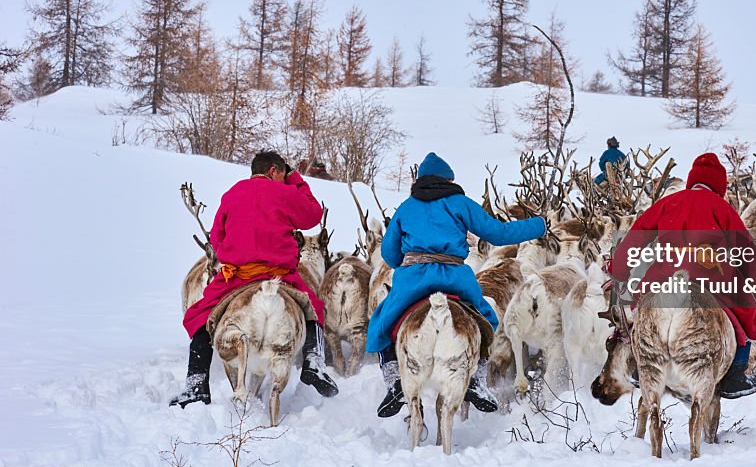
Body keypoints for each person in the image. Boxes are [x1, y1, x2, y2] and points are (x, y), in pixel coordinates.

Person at [367, 152, 546, 418]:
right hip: (454, 277)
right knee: (485, 319)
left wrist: (410, 259)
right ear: (449, 179)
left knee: (383, 322)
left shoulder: (406, 207)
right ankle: (476, 379)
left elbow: (390, 255)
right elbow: (498, 234)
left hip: (413, 279)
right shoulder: (460, 203)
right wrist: (538, 225)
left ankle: (394, 382)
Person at [170, 151, 339, 408]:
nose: (284, 179)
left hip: (238, 276)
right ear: (274, 171)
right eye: (283, 174)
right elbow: (313, 215)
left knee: (199, 314)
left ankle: (196, 385)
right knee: (313, 306)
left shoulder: (232, 193)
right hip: (279, 276)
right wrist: (296, 180)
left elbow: (216, 237)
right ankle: (314, 364)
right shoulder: (286, 193)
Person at [608, 152, 756, 399]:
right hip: (711, 277)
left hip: (665, 275)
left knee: (642, 313)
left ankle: (643, 367)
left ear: (692, 180)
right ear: (720, 186)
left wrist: (618, 269)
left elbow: (635, 237)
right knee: (744, 319)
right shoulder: (722, 208)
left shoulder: (667, 203)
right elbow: (745, 250)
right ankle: (735, 376)